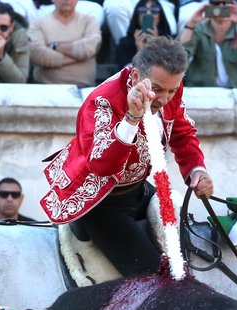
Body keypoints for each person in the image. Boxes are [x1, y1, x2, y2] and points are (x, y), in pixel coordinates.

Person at [40, 36, 213, 276]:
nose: (164, 100)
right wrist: (131, 118)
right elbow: (102, 166)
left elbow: (182, 133)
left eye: (172, 90)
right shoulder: (101, 102)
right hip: (101, 202)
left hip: (139, 189)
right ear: (134, 78)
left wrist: (197, 170)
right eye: (158, 89)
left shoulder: (169, 86)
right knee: (155, 282)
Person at [179, 0, 237, 89]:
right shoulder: (199, 29)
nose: (221, 6)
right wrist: (192, 23)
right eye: (216, 3)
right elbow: (180, 54)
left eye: (226, 3)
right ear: (209, 5)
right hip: (204, 91)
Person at [28, 0, 100, 86]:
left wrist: (55, 46)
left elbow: (91, 47)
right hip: (46, 88)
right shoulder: (38, 23)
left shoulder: (89, 21)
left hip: (84, 90)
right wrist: (82, 56)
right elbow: (38, 54)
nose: (66, 0)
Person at [111, 0, 170, 68]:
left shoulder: (170, 44)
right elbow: (127, 76)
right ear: (137, 17)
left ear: (160, 17)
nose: (148, 13)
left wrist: (156, 46)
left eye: (154, 10)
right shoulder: (125, 44)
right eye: (143, 10)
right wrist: (140, 52)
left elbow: (168, 72)